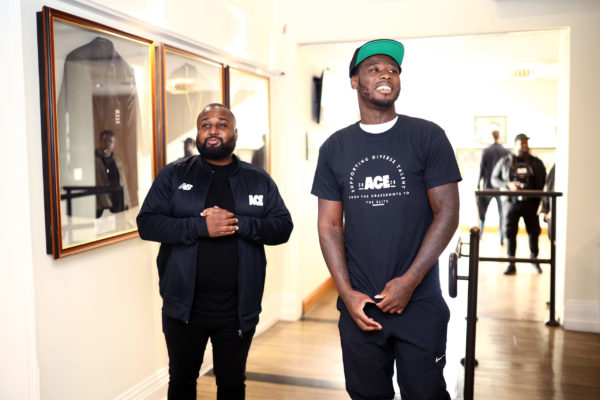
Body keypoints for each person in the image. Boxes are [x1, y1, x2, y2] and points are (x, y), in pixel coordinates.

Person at [311, 39, 461, 400]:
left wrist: (409, 282)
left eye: (393, 70)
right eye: (374, 69)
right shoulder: (335, 147)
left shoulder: (427, 136)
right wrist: (346, 294)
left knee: (425, 393)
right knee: (366, 395)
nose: (385, 75)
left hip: (420, 301)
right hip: (360, 304)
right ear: (354, 81)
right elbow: (329, 225)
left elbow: (448, 212)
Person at [137, 103, 293, 399]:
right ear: (198, 133)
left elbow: (283, 227)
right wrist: (199, 227)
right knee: (181, 381)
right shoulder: (173, 175)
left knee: (232, 384)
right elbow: (147, 224)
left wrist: (238, 223)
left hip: (237, 309)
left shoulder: (258, 178)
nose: (213, 130)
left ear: (235, 133)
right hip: (183, 307)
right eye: (205, 124)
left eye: (221, 124)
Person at [491, 133, 546, 275]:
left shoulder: (536, 162)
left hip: (531, 203)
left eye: (526, 143)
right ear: (515, 145)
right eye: (522, 144)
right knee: (510, 233)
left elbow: (543, 180)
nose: (524, 146)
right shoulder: (505, 161)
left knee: (534, 232)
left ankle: (534, 260)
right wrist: (508, 184)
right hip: (510, 203)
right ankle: (511, 263)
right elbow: (494, 179)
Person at [477, 130, 510, 244]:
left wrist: (478, 185)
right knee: (502, 214)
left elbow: (481, 169)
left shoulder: (485, 151)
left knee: (482, 213)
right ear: (499, 137)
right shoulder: (506, 151)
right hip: (502, 188)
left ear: (491, 137)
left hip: (487, 188)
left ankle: (479, 236)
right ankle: (501, 238)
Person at [94, 129, 130, 218]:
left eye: (111, 141)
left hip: (118, 202)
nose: (108, 143)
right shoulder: (94, 160)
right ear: (100, 141)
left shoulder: (116, 159)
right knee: (106, 230)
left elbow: (123, 181)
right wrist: (97, 205)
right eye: (105, 140)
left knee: (120, 228)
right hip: (103, 205)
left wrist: (126, 201)